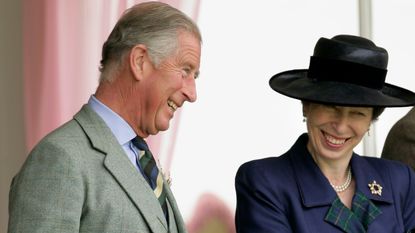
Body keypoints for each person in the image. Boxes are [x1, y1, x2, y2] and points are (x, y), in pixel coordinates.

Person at [8, 2, 201, 233]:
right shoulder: (59, 158)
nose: (192, 94)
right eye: (185, 71)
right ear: (140, 61)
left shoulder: (141, 160)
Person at [235, 35, 415, 232]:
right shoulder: (265, 182)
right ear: (306, 106)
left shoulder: (398, 180)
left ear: (370, 121)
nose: (340, 126)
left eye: (357, 113)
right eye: (331, 107)